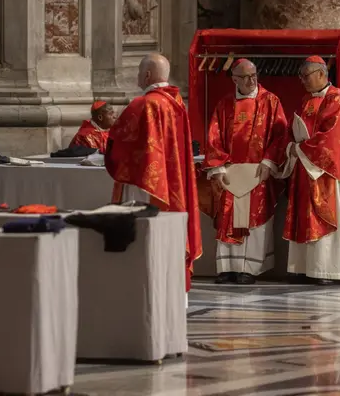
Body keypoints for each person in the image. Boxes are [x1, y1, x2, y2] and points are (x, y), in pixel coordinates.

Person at [105, 53, 202, 295]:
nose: (138, 77)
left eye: (139, 72)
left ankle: (143, 283)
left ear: (147, 75)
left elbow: (116, 141)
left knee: (145, 235)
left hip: (144, 185)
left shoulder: (143, 104)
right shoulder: (177, 104)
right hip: (172, 183)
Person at [281, 55, 340, 285]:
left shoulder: (336, 101)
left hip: (328, 173)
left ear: (322, 74)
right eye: (301, 76)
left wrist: (301, 148)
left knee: (328, 217)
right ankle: (303, 267)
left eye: (306, 76)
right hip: (305, 169)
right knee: (305, 216)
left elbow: (331, 140)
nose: (303, 81)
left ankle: (328, 271)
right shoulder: (305, 100)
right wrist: (292, 144)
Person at [202, 59, 289, 284]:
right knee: (228, 218)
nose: (251, 81)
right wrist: (219, 168)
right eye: (245, 77)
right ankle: (227, 268)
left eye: (254, 75)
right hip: (231, 171)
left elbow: (281, 135)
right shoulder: (224, 105)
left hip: (257, 172)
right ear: (234, 79)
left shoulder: (271, 101)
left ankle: (249, 268)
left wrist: (269, 162)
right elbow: (214, 137)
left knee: (253, 219)